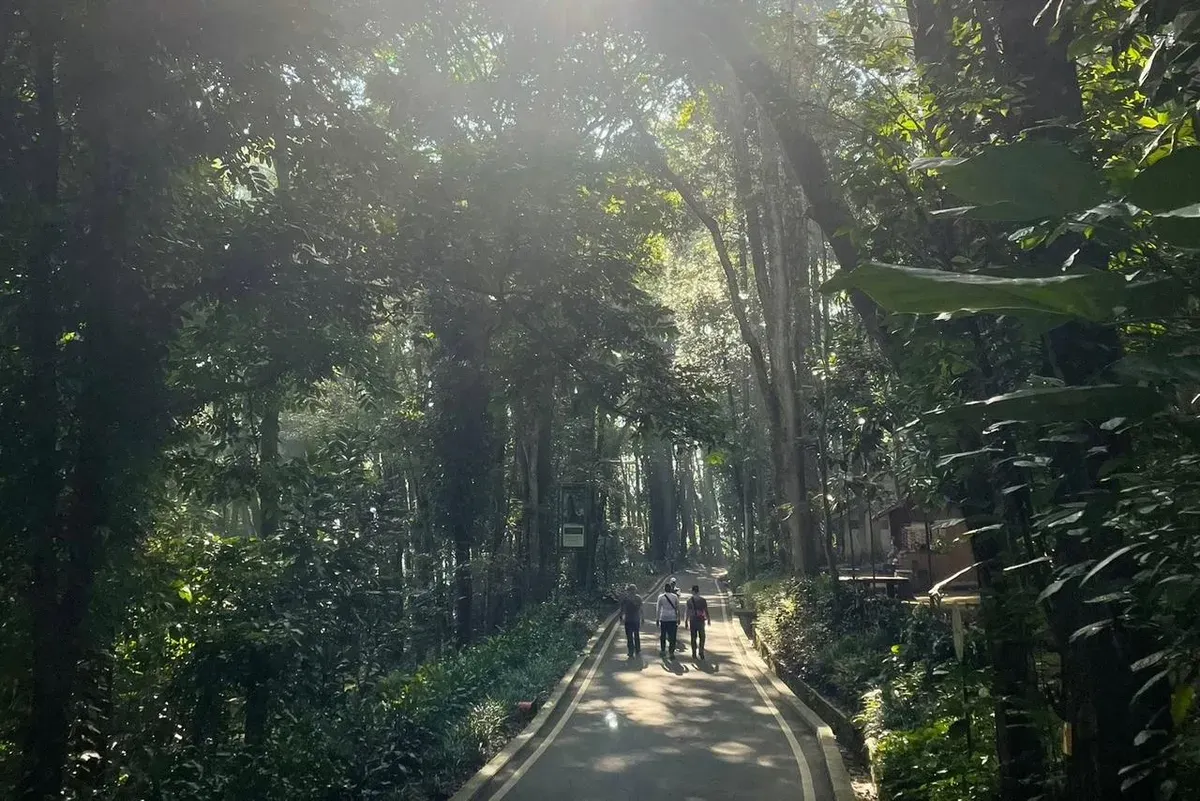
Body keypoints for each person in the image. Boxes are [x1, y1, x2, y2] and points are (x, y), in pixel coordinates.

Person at [656, 581, 681, 659]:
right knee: (672, 636)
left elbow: (658, 609)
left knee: (663, 635)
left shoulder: (661, 597)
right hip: (672, 618)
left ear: (664, 589)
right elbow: (678, 608)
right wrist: (678, 618)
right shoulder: (675, 597)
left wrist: (657, 619)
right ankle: (671, 653)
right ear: (670, 589)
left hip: (663, 618)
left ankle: (663, 650)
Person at [685, 584, 709, 660]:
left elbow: (687, 612)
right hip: (701, 620)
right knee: (702, 637)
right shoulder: (703, 600)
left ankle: (694, 653)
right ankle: (701, 651)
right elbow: (706, 610)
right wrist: (709, 619)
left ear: (692, 591)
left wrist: (686, 621)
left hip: (692, 620)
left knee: (693, 637)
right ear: (698, 591)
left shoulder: (689, 601)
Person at [620, 584, 643, 658]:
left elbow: (622, 608)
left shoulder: (626, 598)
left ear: (629, 591)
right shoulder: (638, 598)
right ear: (635, 590)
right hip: (636, 619)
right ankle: (637, 649)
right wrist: (642, 618)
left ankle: (631, 651)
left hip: (628, 620)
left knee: (629, 636)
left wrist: (621, 616)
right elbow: (641, 609)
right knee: (636, 635)